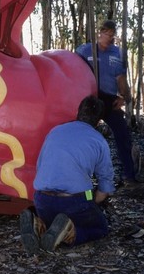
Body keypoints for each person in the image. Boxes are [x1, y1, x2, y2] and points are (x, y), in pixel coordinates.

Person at [19, 95, 115, 255]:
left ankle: (39, 225)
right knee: (100, 227)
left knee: (55, 219)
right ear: (98, 121)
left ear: (77, 112)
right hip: (72, 202)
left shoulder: (55, 131)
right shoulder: (99, 141)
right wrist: (93, 202)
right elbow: (104, 189)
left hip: (42, 200)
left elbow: (40, 166)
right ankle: (70, 233)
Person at [76, 20, 140, 187]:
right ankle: (80, 176)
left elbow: (121, 79)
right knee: (82, 135)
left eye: (113, 35)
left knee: (122, 135)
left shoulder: (117, 53)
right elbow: (73, 72)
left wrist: (124, 97)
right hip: (90, 99)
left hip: (110, 99)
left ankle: (129, 175)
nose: (110, 37)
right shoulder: (84, 50)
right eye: (107, 34)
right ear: (100, 32)